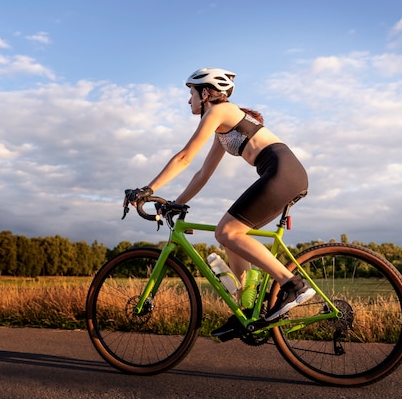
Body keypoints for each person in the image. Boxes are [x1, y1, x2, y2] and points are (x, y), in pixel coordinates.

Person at [127, 68, 315, 340]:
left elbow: (184, 157)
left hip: (282, 171)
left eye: (191, 93)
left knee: (225, 231)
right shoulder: (221, 127)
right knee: (232, 237)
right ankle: (247, 311)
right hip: (282, 172)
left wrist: (148, 189)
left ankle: (293, 285)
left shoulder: (220, 110)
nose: (188, 101)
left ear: (205, 93)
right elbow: (202, 173)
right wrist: (175, 203)